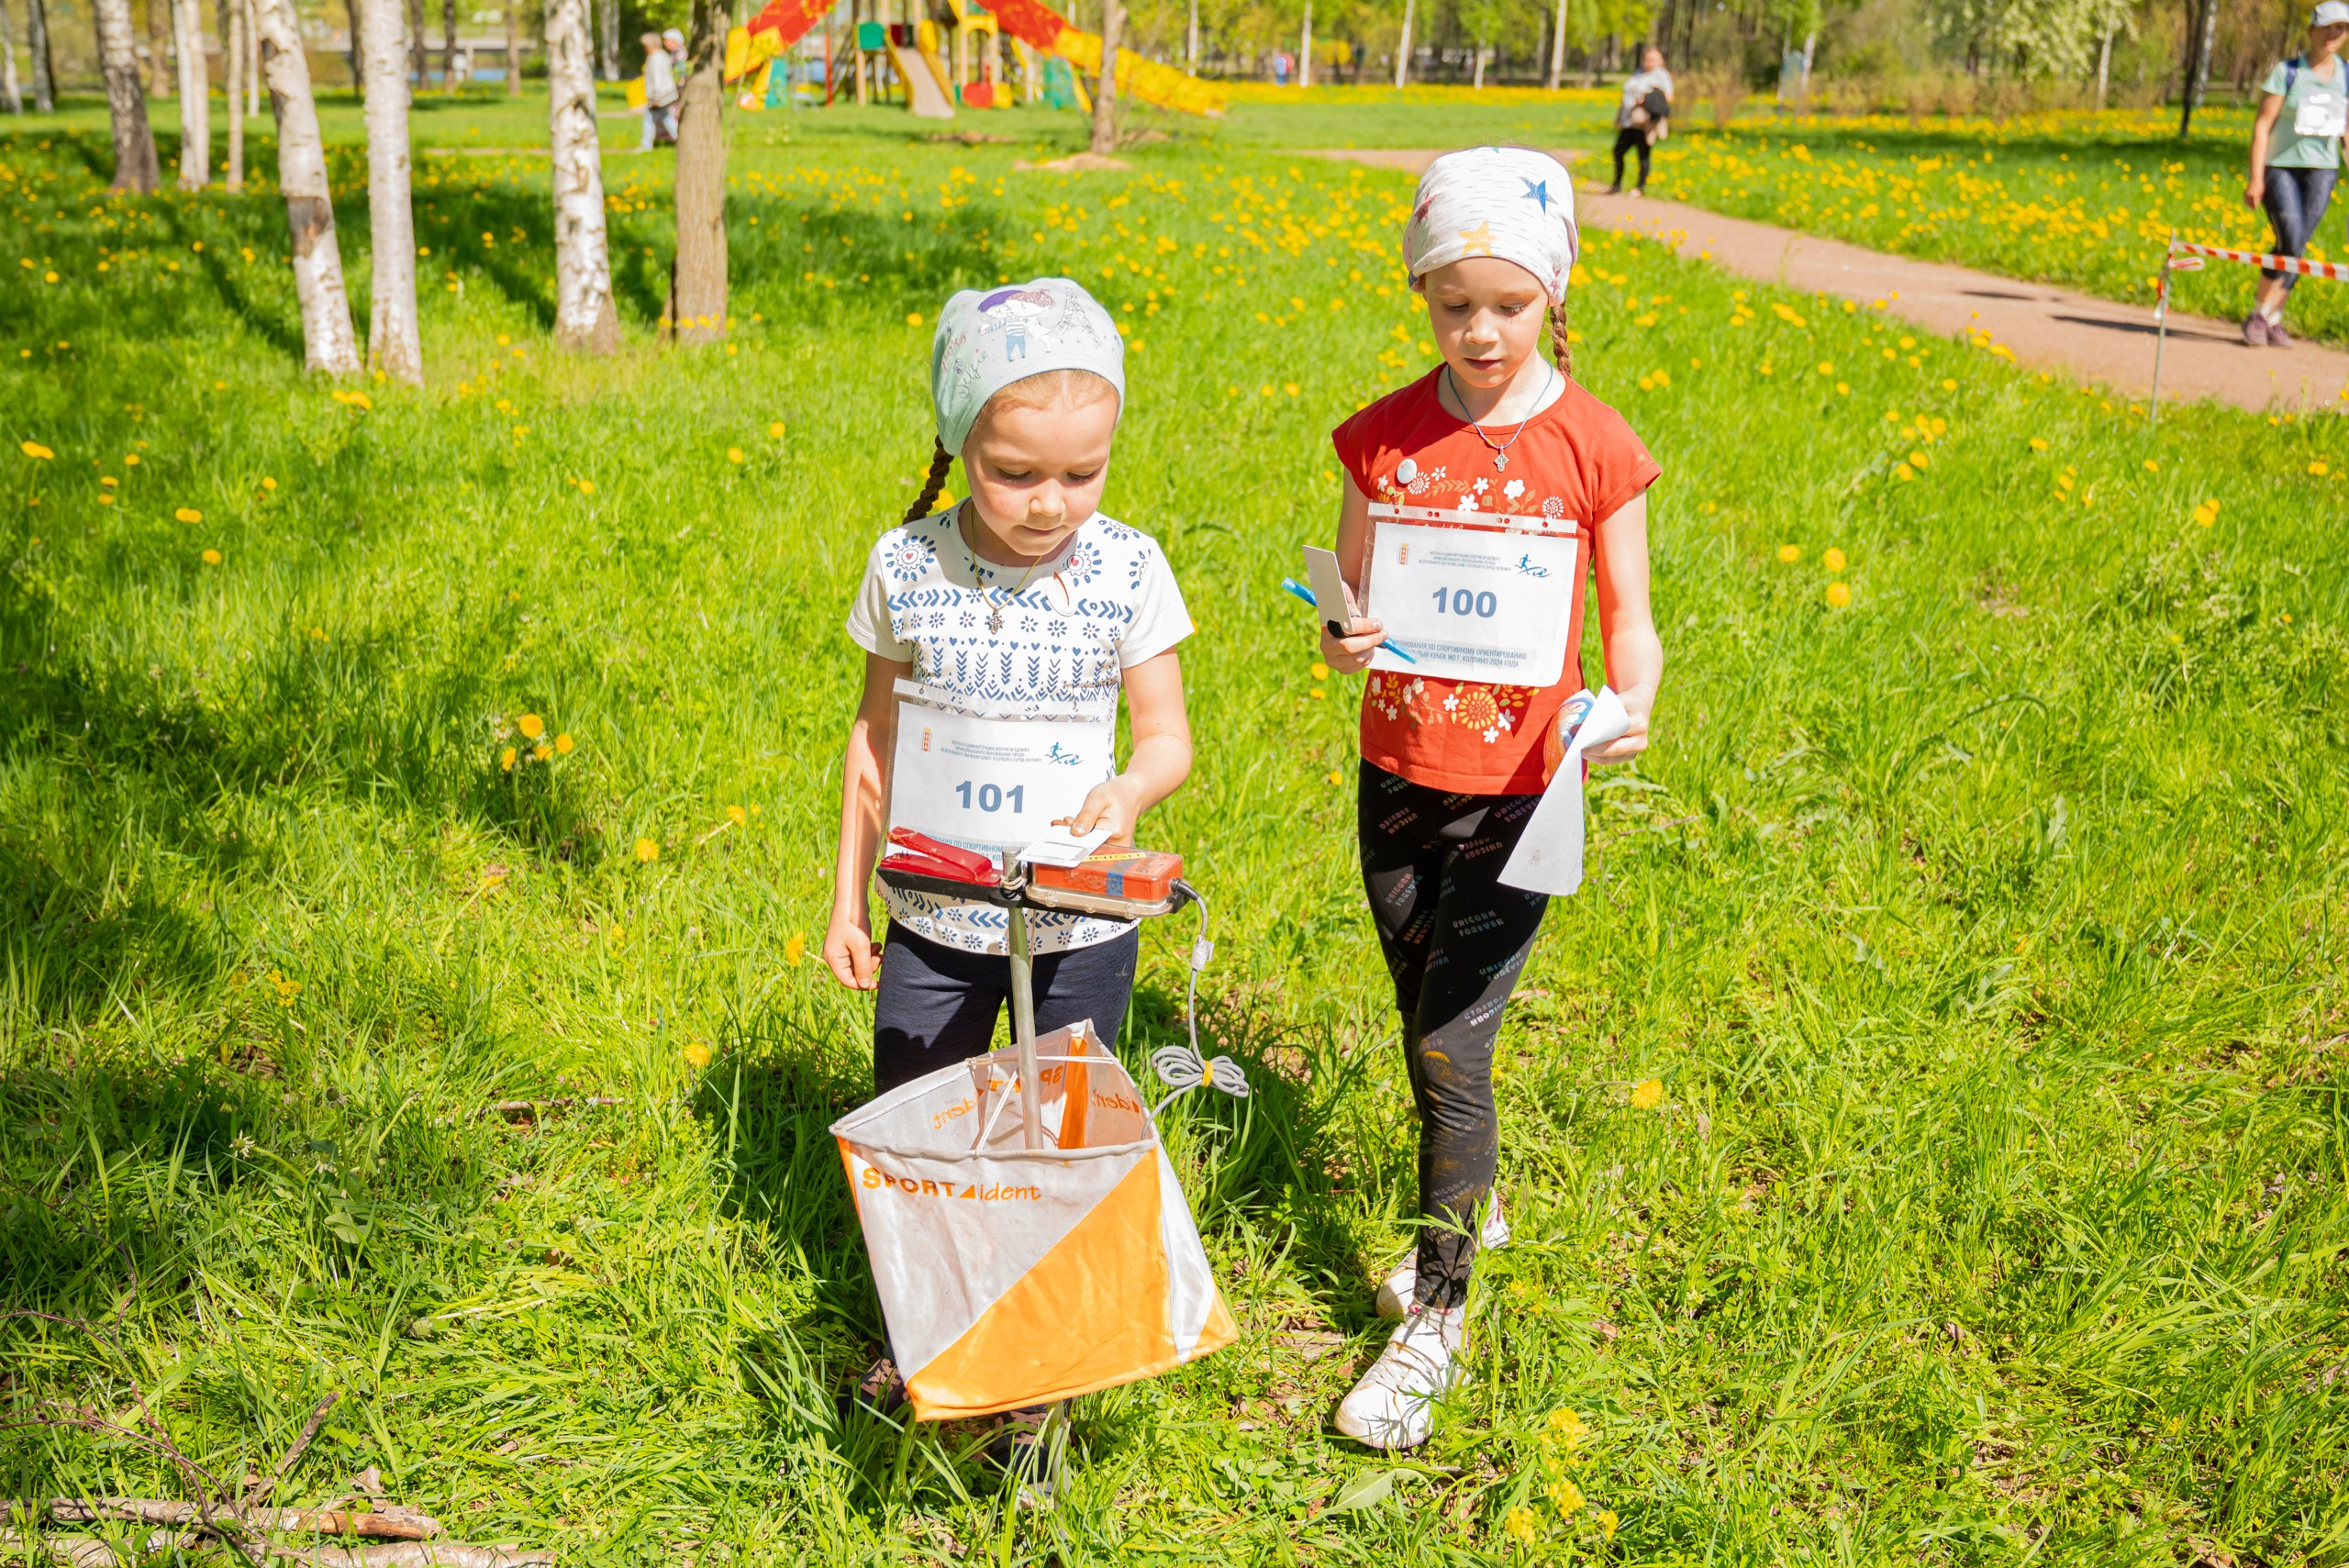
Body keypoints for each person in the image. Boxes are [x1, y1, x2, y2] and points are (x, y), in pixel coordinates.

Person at [1315, 148, 1663, 1451]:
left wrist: (1629, 704)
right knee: (1425, 1018)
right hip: (1397, 778)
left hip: (1524, 792)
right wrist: (1343, 636)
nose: (1480, 330)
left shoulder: (1595, 444)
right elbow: (1349, 599)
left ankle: (1440, 1314)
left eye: (1507, 305)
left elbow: (1633, 619)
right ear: (1424, 295)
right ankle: (1476, 1189)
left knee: (1452, 1044)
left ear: (1552, 295)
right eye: (1455, 302)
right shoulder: (1382, 437)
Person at [824, 277, 1196, 1466]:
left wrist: (1129, 793)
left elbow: (1169, 737)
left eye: (1081, 473)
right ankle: (924, 1327)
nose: (1050, 503)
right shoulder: (908, 563)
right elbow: (872, 738)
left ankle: (1035, 1374)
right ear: (958, 440)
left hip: (1077, 921)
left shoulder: (1131, 569)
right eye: (1017, 472)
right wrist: (846, 896)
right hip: (934, 919)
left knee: (1055, 1141)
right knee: (918, 1131)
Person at [2243, 1, 2349, 346]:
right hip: (2280, 167)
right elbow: (2262, 126)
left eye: (2341, 29)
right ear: (2312, 31)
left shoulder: (2346, 76)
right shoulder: (2287, 72)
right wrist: (2256, 178)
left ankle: (2274, 319)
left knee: (2298, 245)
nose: (2333, 35)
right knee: (2289, 238)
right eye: (2328, 27)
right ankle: (2258, 314)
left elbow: (2346, 130)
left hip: (2323, 170)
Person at [1609, 45, 1674, 196]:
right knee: (1618, 151)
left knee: (1643, 154)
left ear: (1660, 60)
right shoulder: (1638, 72)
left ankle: (1639, 187)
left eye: (1653, 59)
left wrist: (1647, 99)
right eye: (1647, 59)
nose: (1649, 62)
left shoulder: (1661, 76)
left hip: (1645, 122)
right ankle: (1616, 185)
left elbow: (1669, 97)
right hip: (1630, 120)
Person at [640, 30, 678, 150]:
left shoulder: (655, 58)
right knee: (663, 119)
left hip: (660, 96)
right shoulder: (662, 55)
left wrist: (655, 97)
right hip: (667, 94)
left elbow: (657, 79)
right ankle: (680, 139)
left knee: (653, 120)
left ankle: (646, 145)